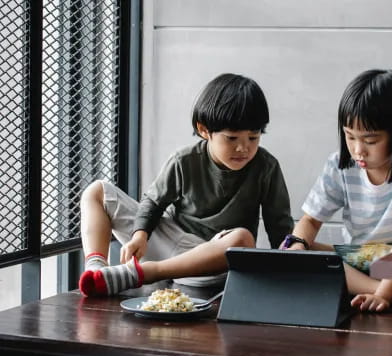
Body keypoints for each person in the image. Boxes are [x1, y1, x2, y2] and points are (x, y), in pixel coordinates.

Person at [79, 73, 294, 296]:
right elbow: (153, 202)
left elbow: (281, 228)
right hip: (169, 244)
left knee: (243, 239)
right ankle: (97, 272)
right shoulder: (184, 160)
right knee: (97, 191)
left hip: (210, 261)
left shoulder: (266, 167)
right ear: (204, 130)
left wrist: (289, 268)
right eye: (232, 138)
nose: (244, 148)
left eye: (253, 137)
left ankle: (143, 273)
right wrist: (140, 235)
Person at [281, 69, 392, 312]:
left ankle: (389, 289)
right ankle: (384, 290)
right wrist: (298, 245)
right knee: (299, 251)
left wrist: (385, 294)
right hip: (361, 258)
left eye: (370, 141)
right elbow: (310, 220)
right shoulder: (340, 164)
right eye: (349, 137)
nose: (357, 150)